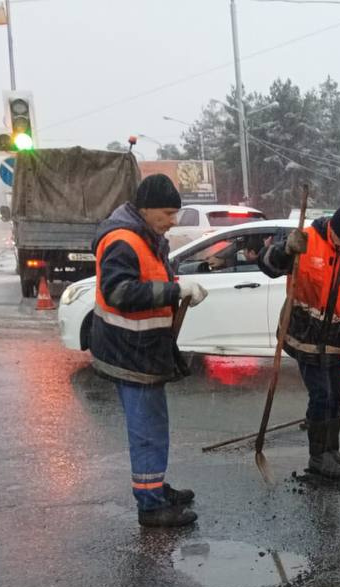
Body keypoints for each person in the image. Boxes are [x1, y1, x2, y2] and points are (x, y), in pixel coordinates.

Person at [86, 173, 209, 528]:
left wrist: (177, 287)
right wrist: (174, 291)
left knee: (154, 426)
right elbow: (119, 292)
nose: (172, 222)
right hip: (130, 351)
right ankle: (151, 506)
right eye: (168, 214)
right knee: (147, 431)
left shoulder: (149, 238)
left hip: (144, 350)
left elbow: (151, 280)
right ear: (146, 208)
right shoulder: (123, 241)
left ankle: (154, 486)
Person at [259, 205, 340, 479]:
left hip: (336, 340)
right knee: (321, 395)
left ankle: (331, 451)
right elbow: (267, 266)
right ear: (332, 230)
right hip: (304, 335)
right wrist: (286, 250)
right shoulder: (306, 240)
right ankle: (318, 457)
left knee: (334, 396)